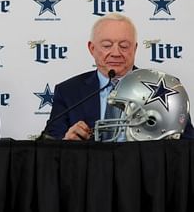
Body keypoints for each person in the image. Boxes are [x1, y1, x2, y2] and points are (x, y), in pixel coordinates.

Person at [45, 13, 193, 140]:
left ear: (134, 49)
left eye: (124, 46)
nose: (116, 53)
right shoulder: (68, 91)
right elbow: (49, 144)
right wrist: (65, 141)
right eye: (107, 45)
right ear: (92, 48)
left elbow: (186, 144)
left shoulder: (165, 86)